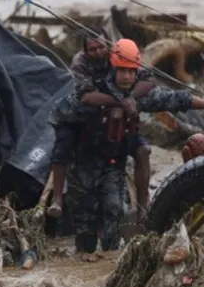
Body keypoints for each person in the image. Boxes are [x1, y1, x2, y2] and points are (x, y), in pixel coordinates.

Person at [63, 38, 204, 261]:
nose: (127, 77)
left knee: (114, 211)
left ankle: (112, 258)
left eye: (131, 72)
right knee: (85, 232)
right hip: (83, 167)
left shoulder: (136, 95)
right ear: (113, 67)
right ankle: (83, 265)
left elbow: (178, 99)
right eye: (122, 71)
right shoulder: (93, 88)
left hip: (112, 165)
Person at [46, 27, 155, 218]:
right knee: (63, 144)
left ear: (109, 46)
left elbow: (149, 79)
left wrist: (130, 98)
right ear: (86, 51)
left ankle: (143, 207)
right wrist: (121, 101)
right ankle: (57, 199)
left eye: (101, 48)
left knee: (142, 149)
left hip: (114, 114)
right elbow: (87, 96)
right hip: (80, 113)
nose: (98, 52)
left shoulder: (119, 55)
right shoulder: (80, 62)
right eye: (92, 49)